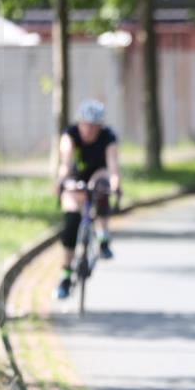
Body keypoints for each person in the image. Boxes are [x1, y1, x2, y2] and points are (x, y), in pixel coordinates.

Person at [55, 99, 121, 300]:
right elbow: (65, 162)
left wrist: (115, 182)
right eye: (86, 125)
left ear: (100, 127)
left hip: (98, 174)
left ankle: (102, 237)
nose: (89, 131)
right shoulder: (70, 135)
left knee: (101, 189)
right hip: (76, 176)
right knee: (71, 223)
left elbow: (112, 166)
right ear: (79, 123)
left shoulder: (108, 138)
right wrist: (61, 181)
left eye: (94, 127)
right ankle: (65, 276)